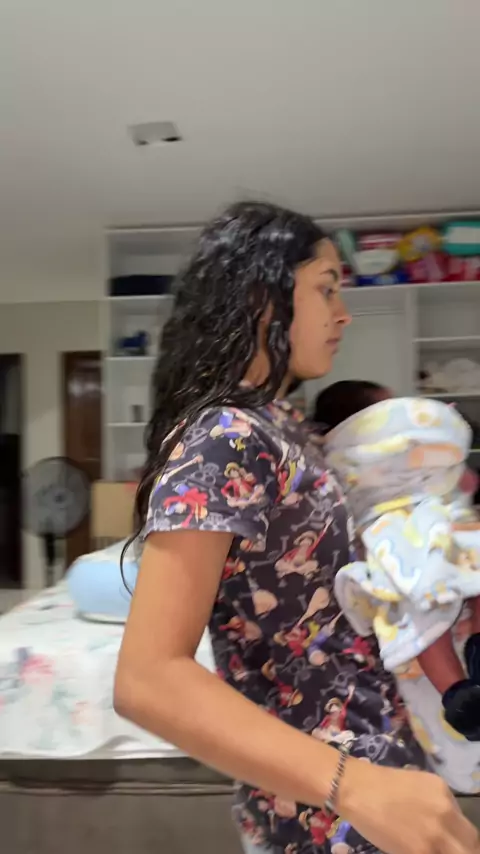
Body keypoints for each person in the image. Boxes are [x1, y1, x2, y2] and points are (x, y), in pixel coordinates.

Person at [113, 201, 479, 854]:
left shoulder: (289, 428)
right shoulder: (225, 436)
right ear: (262, 295)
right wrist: (354, 786)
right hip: (326, 813)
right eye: (326, 288)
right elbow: (148, 678)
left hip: (390, 774)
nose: (343, 313)